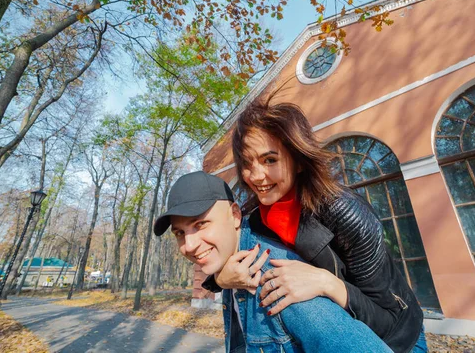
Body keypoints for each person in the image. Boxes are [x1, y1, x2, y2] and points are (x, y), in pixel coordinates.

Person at [206, 100, 427, 353]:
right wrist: (221, 280)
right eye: (246, 163)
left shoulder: (345, 212)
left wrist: (327, 283)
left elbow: (390, 319)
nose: (255, 176)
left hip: (400, 342)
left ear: (299, 160)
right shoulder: (255, 220)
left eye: (269, 160)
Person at [154, 171, 392, 353]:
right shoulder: (231, 268)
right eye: (180, 233)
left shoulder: (277, 281)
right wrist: (219, 281)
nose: (190, 245)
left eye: (200, 224)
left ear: (235, 215)